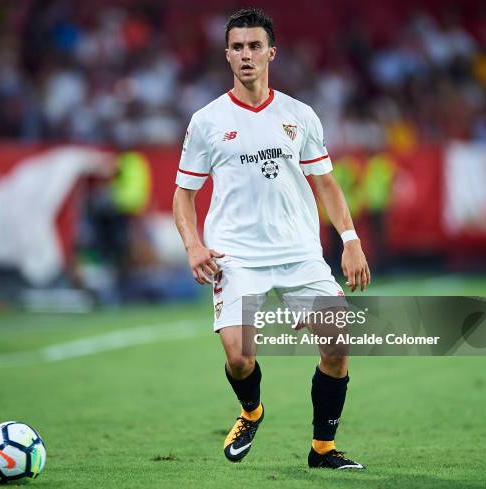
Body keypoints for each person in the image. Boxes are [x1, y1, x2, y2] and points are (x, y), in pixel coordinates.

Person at [173, 8, 370, 469]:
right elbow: (183, 196)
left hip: (299, 253)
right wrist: (194, 246)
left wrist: (351, 238)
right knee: (240, 358)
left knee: (338, 341)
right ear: (227, 55)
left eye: (254, 46)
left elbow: (325, 182)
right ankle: (251, 411)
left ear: (271, 53)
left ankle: (322, 450)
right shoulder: (207, 120)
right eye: (237, 47)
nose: (246, 54)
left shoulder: (298, 115)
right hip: (237, 255)